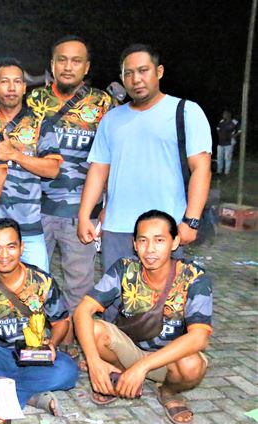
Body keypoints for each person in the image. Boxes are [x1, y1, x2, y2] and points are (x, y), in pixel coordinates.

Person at [78, 44, 212, 272]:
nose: (136, 79)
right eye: (128, 73)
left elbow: (201, 168)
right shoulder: (111, 119)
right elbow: (98, 169)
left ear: (159, 72)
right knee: (117, 291)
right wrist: (84, 215)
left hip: (164, 229)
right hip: (117, 228)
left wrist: (191, 221)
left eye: (143, 71)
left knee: (163, 292)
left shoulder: (185, 111)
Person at [74, 210, 212, 424]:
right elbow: (82, 311)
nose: (150, 249)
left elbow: (199, 338)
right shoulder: (125, 268)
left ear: (175, 242)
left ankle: (169, 391)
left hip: (168, 360)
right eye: (143, 240)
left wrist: (143, 366)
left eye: (159, 240)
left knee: (192, 365)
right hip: (129, 350)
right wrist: (94, 362)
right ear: (134, 244)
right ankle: (118, 373)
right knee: (94, 329)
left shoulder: (193, 276)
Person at [27, 36, 112, 351]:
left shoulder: (103, 104)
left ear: (86, 67)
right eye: (61, 59)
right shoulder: (33, 100)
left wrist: (107, 205)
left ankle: (78, 346)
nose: (68, 66)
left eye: (76, 61)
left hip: (81, 213)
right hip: (35, 210)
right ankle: (35, 340)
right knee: (33, 281)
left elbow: (112, 158)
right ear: (52, 64)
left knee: (80, 285)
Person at [0, 218, 78, 416]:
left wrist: (52, 344)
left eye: (11, 247)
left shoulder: (42, 282)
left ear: (21, 248)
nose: (4, 255)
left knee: (67, 370)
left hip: (33, 357)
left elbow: (61, 322)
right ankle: (31, 397)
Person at [0, 57, 63, 273]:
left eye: (17, 82)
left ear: (24, 87)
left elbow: (53, 169)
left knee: (38, 288)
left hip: (30, 230)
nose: (11, 88)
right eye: (4, 81)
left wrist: (15, 155)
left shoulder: (40, 123)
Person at [215, 110, 240, 176]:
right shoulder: (221, 121)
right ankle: (219, 171)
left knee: (227, 157)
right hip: (220, 142)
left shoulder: (234, 122)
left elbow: (240, 131)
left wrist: (233, 136)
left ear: (229, 114)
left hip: (229, 143)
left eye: (225, 114)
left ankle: (226, 172)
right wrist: (220, 135)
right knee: (219, 157)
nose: (223, 115)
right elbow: (217, 129)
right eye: (223, 114)